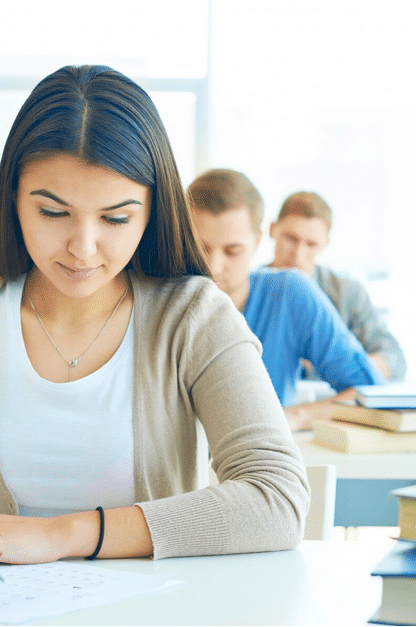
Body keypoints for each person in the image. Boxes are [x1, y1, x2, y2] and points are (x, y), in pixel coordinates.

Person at [0, 65, 309, 565]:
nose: (83, 248)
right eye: (53, 213)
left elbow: (277, 499)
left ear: (152, 211)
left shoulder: (192, 317)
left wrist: (59, 536)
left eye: (116, 218)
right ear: (12, 198)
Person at [187, 169, 385, 432]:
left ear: (258, 241)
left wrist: (295, 417)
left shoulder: (290, 294)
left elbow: (370, 394)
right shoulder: (156, 298)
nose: (213, 267)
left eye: (233, 251)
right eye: (201, 247)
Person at [269, 191, 407, 381]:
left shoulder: (348, 293)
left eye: (311, 244)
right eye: (291, 239)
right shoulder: (245, 289)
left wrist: (341, 363)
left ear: (325, 244)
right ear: (272, 230)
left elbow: (394, 359)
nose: (298, 254)